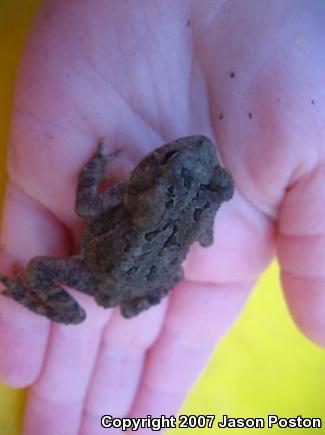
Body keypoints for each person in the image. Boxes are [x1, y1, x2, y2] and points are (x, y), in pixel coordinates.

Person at [0, 1, 324, 434]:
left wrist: (97, 167)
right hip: (135, 280)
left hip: (104, 274)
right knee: (53, 278)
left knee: (38, 271)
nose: (201, 156)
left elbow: (87, 207)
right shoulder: (150, 207)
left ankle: (23, 295)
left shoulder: (128, 198)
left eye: (216, 185)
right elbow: (201, 240)